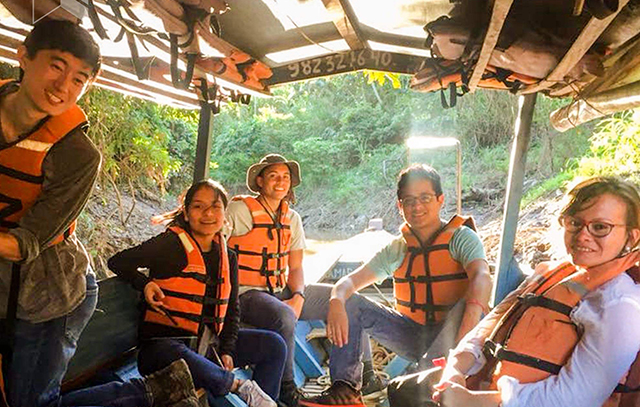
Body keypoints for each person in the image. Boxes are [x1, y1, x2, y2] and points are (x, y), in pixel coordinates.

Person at [0, 18, 205, 407]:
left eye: (79, 79)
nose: (63, 87)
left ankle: (152, 391)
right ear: (22, 57)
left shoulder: (77, 155)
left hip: (51, 292)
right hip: (4, 282)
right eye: (56, 66)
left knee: (33, 403)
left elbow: (24, 244)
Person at [387, 176, 640, 407]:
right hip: (482, 379)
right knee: (402, 389)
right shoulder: (551, 273)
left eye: (600, 227)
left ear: (632, 237)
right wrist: (455, 370)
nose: (583, 235)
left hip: (512, 400)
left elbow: (573, 398)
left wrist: (471, 401)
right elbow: (488, 326)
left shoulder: (619, 304)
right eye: (575, 222)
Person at [299, 164, 493, 407]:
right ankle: (346, 390)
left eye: (425, 198)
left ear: (440, 200)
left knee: (466, 302)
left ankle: (432, 375)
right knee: (350, 301)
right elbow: (348, 283)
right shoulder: (398, 248)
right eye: (409, 201)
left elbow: (482, 277)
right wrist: (337, 302)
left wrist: (464, 342)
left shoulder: (461, 238)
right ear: (400, 206)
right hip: (414, 335)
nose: (417, 206)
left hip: (460, 337)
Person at [108, 179, 287, 407]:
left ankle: (265, 402)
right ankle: (240, 387)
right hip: (162, 350)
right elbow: (118, 261)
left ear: (224, 212)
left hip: (207, 347)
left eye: (215, 207)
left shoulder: (227, 256)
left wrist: (228, 350)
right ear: (186, 212)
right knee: (175, 352)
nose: (207, 214)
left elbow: (232, 309)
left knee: (274, 345)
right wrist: (143, 283)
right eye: (198, 206)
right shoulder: (170, 244)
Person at [225, 154, 385, 407]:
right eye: (273, 176)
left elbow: (296, 266)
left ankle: (355, 381)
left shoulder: (293, 218)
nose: (280, 182)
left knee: (347, 300)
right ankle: (288, 391)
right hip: (246, 294)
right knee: (284, 315)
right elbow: (213, 244)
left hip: (282, 289)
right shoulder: (239, 210)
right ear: (259, 181)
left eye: (285, 177)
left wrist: (298, 295)